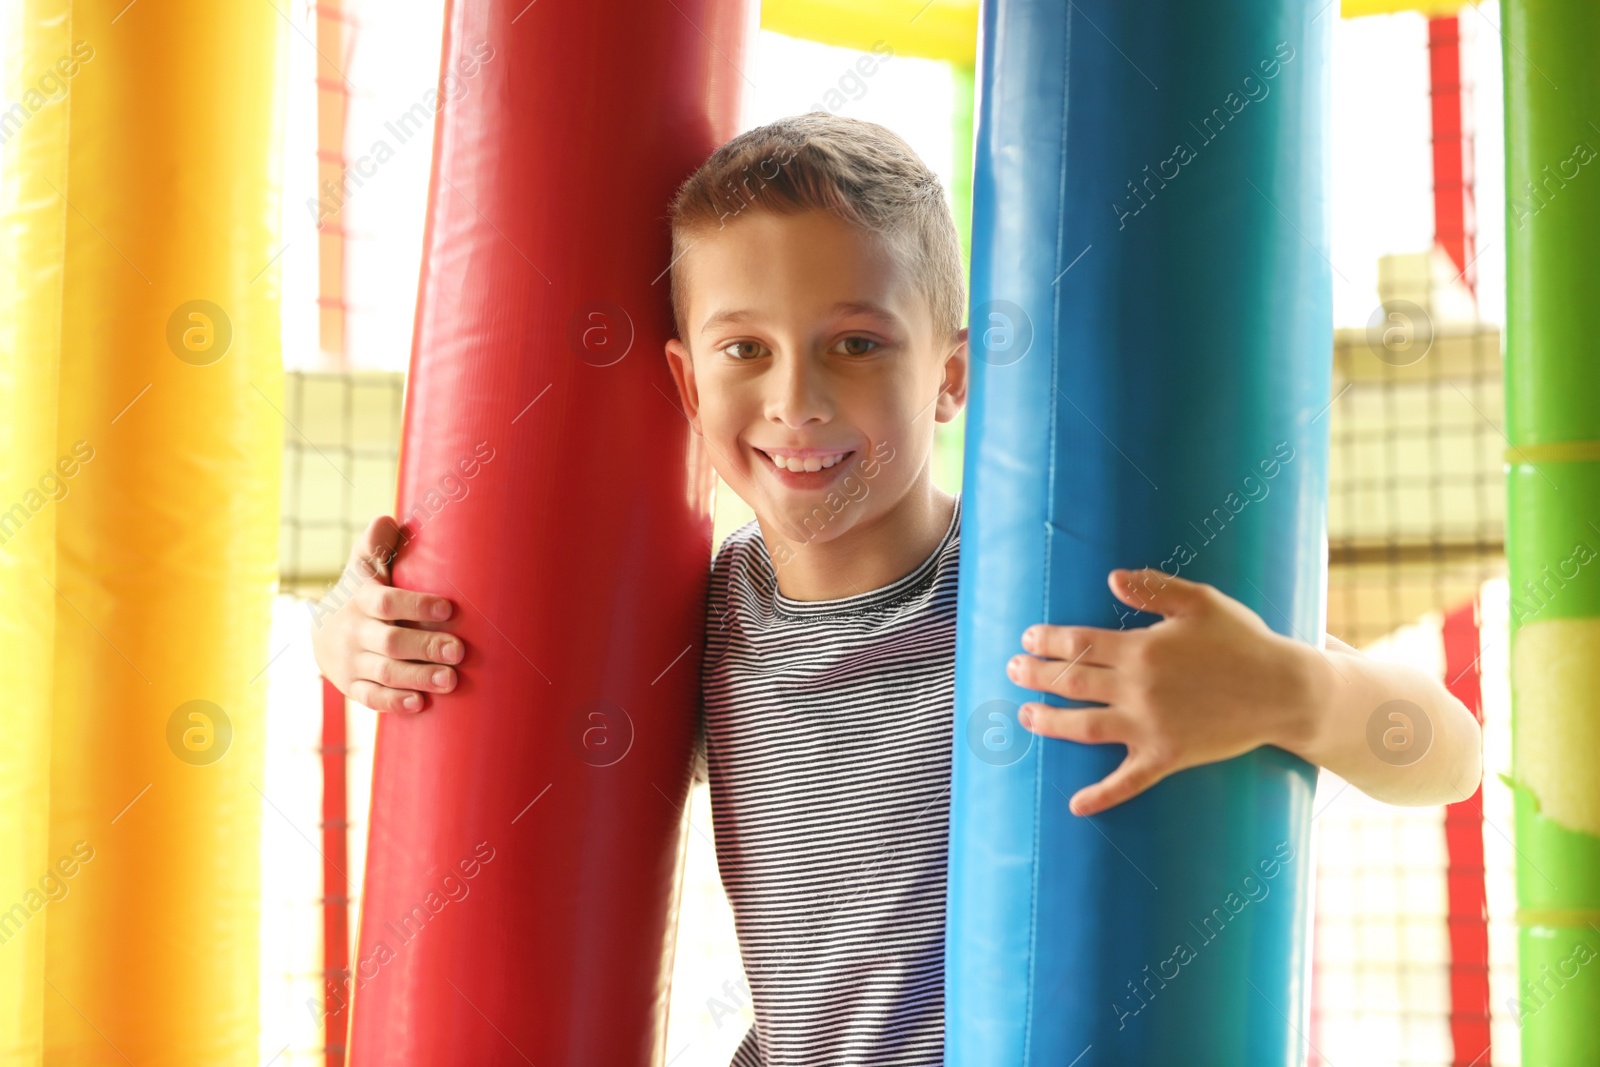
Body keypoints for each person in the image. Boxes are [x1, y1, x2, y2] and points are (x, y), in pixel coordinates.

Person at [311, 111, 1483, 1066]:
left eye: (857, 342)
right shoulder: (704, 623)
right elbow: (484, 668)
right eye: (744, 349)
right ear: (682, 377)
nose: (796, 400)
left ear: (951, 375)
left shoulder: (1042, 595)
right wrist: (348, 629)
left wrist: (1289, 692)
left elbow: (1448, 751)